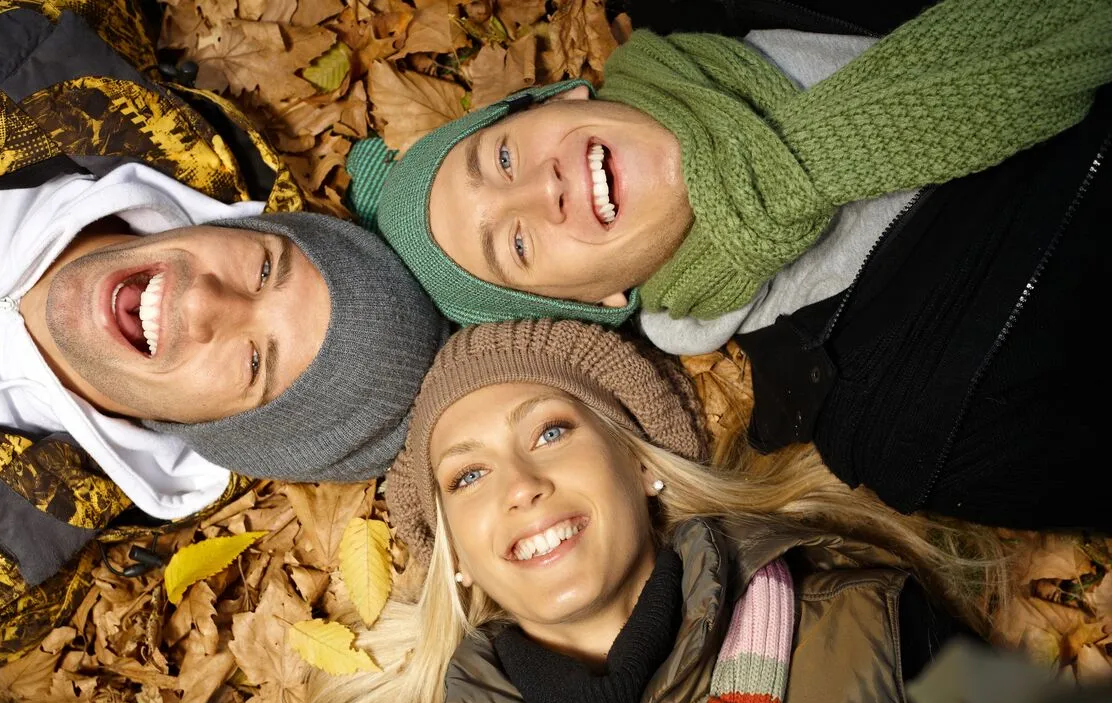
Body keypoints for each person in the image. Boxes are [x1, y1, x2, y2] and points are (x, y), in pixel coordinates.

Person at [346, 0, 1112, 532]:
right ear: (604, 298)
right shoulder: (911, 424)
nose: (537, 190)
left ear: (559, 96)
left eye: (502, 156)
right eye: (516, 246)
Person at [0, 0, 448, 685]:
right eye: (262, 268)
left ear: (219, 434)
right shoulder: (36, 31)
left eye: (255, 362)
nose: (201, 302)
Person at [303, 319, 998, 703]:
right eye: (468, 477)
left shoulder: (869, 626)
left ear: (641, 467)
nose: (521, 487)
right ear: (456, 559)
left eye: (549, 432)